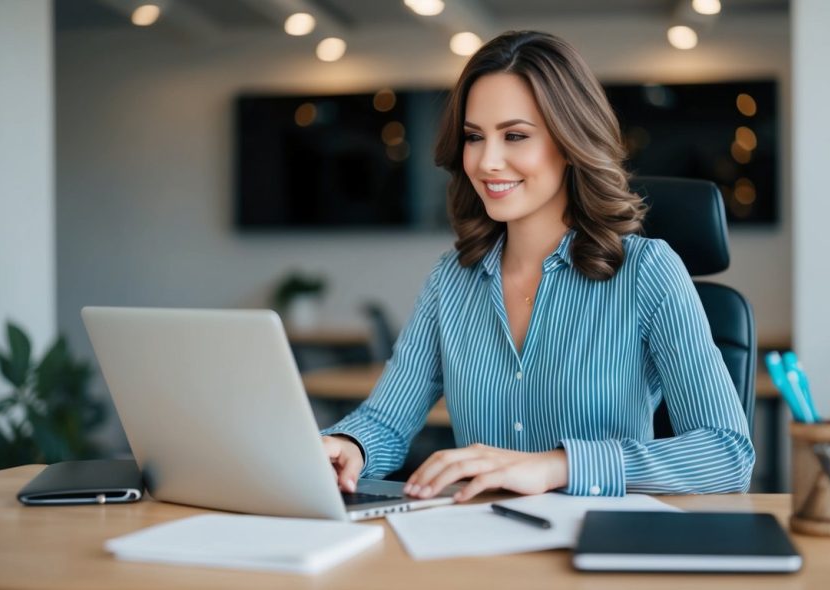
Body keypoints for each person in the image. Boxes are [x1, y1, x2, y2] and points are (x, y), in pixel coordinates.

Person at [320, 30, 754, 502]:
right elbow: (385, 420)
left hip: (598, 550)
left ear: (569, 142)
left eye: (515, 136)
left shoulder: (647, 272)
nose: (487, 162)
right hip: (484, 551)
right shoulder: (452, 280)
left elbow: (726, 455)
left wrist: (558, 466)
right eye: (473, 137)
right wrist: (350, 446)